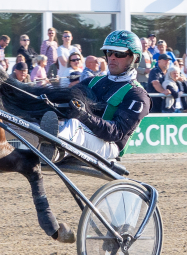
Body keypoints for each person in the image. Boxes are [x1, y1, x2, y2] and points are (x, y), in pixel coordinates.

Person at [39, 30, 151, 161]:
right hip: (84, 135)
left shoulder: (137, 95)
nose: (112, 57)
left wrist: (85, 116)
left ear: (135, 58)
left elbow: (117, 132)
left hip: (109, 146)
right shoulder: (93, 81)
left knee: (74, 125)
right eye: (109, 52)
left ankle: (49, 154)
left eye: (119, 54)